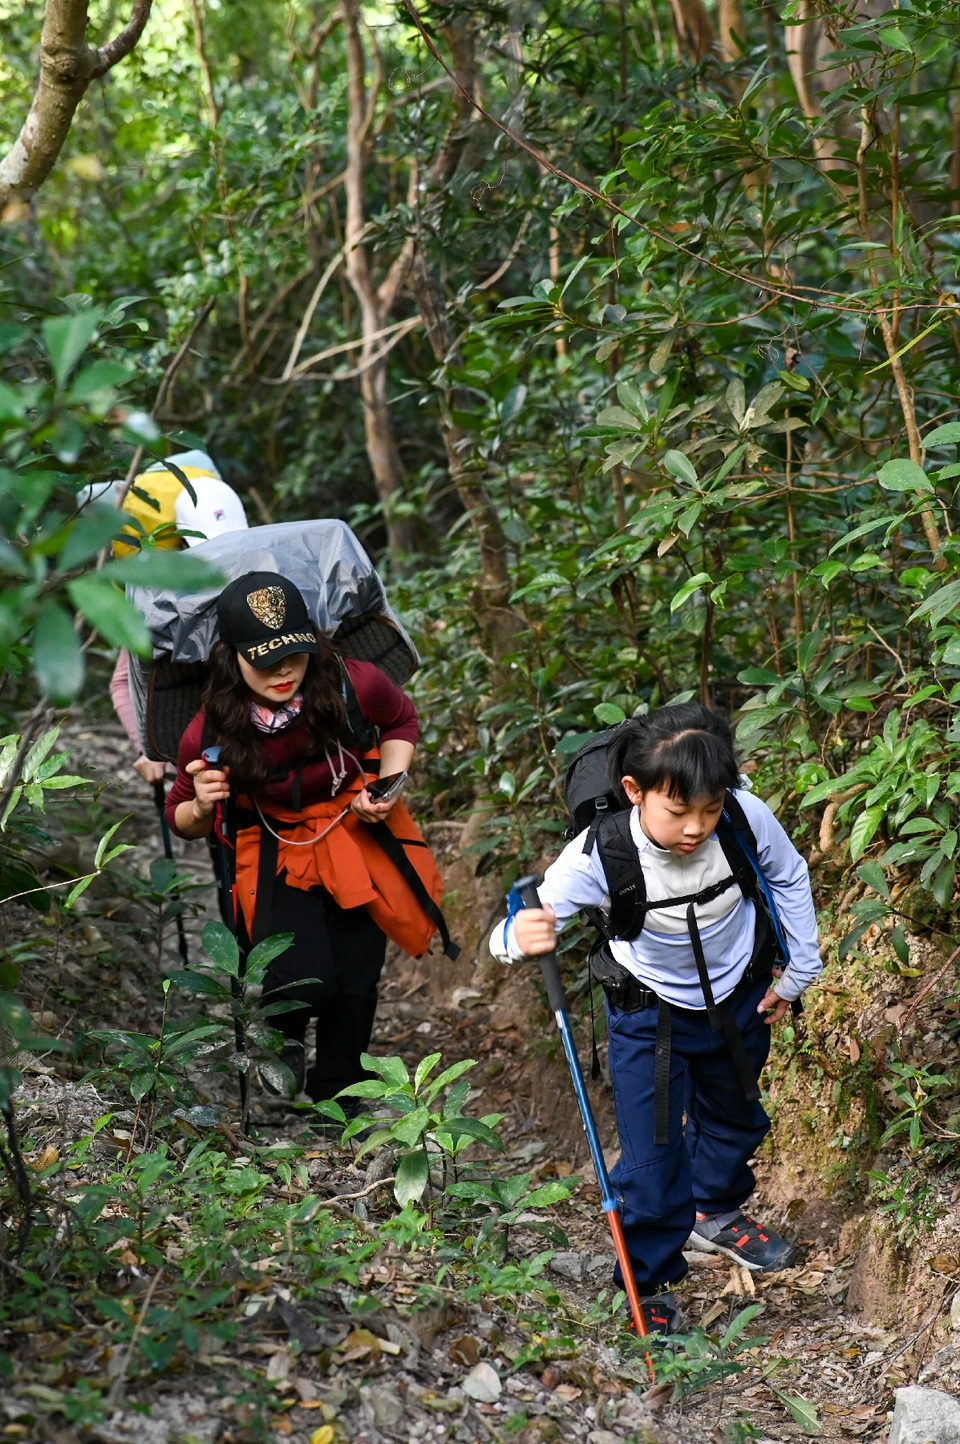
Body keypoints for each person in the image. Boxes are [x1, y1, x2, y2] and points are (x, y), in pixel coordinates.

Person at [490, 703, 820, 1334]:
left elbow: (788, 874)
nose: (696, 827)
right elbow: (519, 931)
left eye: (710, 808)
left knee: (738, 1118)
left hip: (740, 994)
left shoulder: (744, 816)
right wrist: (519, 936)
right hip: (649, 1015)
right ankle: (650, 1287)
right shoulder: (599, 853)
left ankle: (715, 1213)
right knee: (652, 1161)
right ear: (635, 791)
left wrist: (800, 970)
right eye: (678, 810)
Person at [164, 570, 449, 1103]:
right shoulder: (210, 727)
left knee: (356, 977)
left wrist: (386, 787)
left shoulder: (349, 682)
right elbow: (180, 815)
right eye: (264, 661)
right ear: (233, 658)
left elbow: (400, 721)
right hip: (270, 846)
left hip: (352, 829)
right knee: (303, 974)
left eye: (292, 654)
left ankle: (339, 1099)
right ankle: (284, 1038)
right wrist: (203, 802)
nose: (282, 672)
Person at [99, 451, 249, 782]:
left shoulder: (267, 570)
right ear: (184, 543)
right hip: (210, 748)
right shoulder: (163, 601)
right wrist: (149, 750)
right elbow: (123, 680)